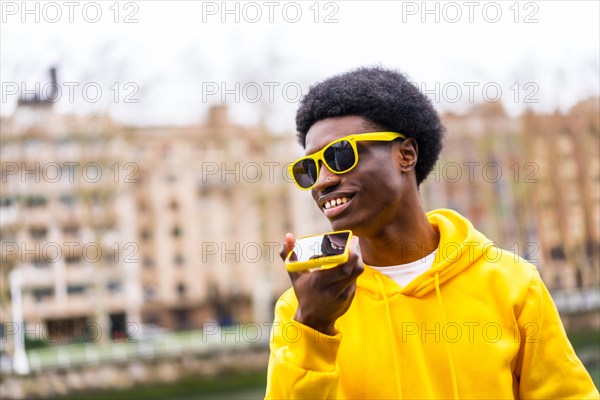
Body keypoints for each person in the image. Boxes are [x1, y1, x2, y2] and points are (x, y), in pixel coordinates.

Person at [265, 67, 599, 399]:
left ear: (405, 155)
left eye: (340, 155)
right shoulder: (299, 308)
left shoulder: (511, 283)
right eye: (309, 168)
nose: (322, 181)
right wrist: (314, 327)